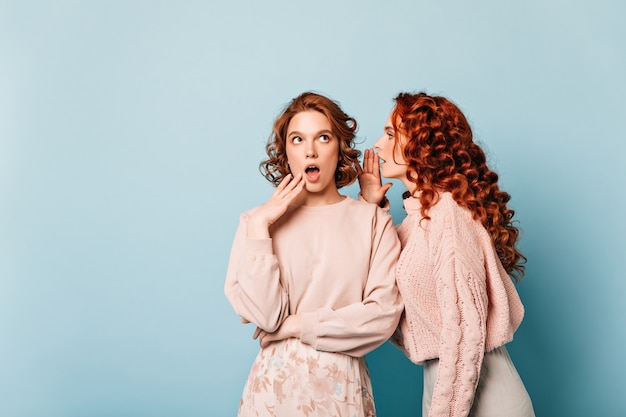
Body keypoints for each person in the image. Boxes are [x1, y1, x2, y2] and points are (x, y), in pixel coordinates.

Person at [224, 91, 403, 417]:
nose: (310, 150)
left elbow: (382, 317)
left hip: (342, 389)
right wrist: (261, 226)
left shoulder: (373, 220)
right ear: (285, 152)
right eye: (297, 139)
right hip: (273, 393)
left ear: (339, 147)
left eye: (323, 137)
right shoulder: (254, 223)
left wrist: (296, 325)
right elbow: (266, 317)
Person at [359, 91, 535, 417]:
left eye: (389, 134)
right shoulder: (418, 222)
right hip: (447, 386)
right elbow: (370, 276)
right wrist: (371, 205)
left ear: (421, 144)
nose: (378, 146)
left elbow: (466, 335)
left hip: (483, 395)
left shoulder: (447, 215)